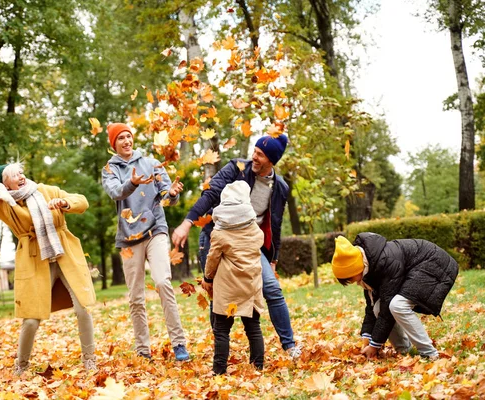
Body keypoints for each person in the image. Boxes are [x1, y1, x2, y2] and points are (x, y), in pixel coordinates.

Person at [0, 132, 97, 375]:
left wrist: (65, 204)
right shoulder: (6, 205)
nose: (20, 177)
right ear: (5, 184)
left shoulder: (45, 190)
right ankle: (21, 366)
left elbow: (81, 201)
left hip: (65, 255)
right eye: (13, 176)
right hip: (35, 261)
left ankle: (90, 360)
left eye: (20, 172)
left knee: (83, 308)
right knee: (31, 319)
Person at [172, 134, 302, 359]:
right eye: (255, 151)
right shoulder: (237, 168)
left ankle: (290, 346)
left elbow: (276, 224)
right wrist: (187, 222)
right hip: (218, 237)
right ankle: (220, 351)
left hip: (250, 243)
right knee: (217, 292)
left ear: (272, 160)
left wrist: (273, 260)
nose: (254, 157)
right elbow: (211, 193)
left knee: (271, 288)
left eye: (260, 155)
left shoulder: (280, 187)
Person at [101, 123, 190, 361]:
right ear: (114, 144)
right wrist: (133, 183)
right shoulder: (109, 169)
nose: (126, 141)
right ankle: (143, 350)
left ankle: (179, 343)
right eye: (120, 138)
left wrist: (171, 194)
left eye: (129, 136)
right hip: (128, 239)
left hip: (155, 230)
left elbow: (167, 198)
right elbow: (116, 193)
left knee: (162, 282)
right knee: (136, 298)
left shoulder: (151, 164)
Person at [331, 233, 459, 360]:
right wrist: (367, 335)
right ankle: (403, 350)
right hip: (418, 267)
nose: (352, 282)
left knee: (398, 305)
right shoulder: (368, 267)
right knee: (377, 308)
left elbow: (387, 310)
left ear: (355, 268)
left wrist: (374, 345)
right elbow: (371, 307)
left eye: (350, 278)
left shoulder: (385, 262)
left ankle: (429, 353)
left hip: (434, 264)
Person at [201, 181, 265, 375]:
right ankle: (257, 367)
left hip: (228, 287)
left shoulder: (219, 234)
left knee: (221, 330)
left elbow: (212, 259)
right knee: (253, 328)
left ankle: (219, 370)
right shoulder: (256, 231)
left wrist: (208, 278)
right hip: (251, 286)